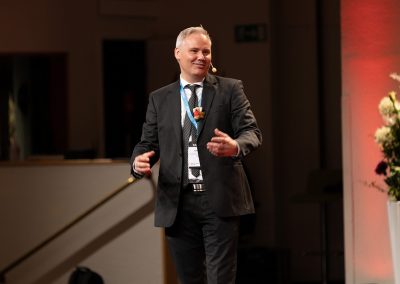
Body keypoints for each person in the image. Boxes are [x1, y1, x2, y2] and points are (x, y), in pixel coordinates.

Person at [130, 26, 262, 284]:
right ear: (177, 53)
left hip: (219, 198)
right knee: (189, 278)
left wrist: (235, 145)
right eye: (194, 51)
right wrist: (138, 162)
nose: (201, 56)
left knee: (220, 278)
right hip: (178, 202)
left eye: (206, 51)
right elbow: (147, 143)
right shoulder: (160, 99)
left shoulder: (230, 90)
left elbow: (252, 132)